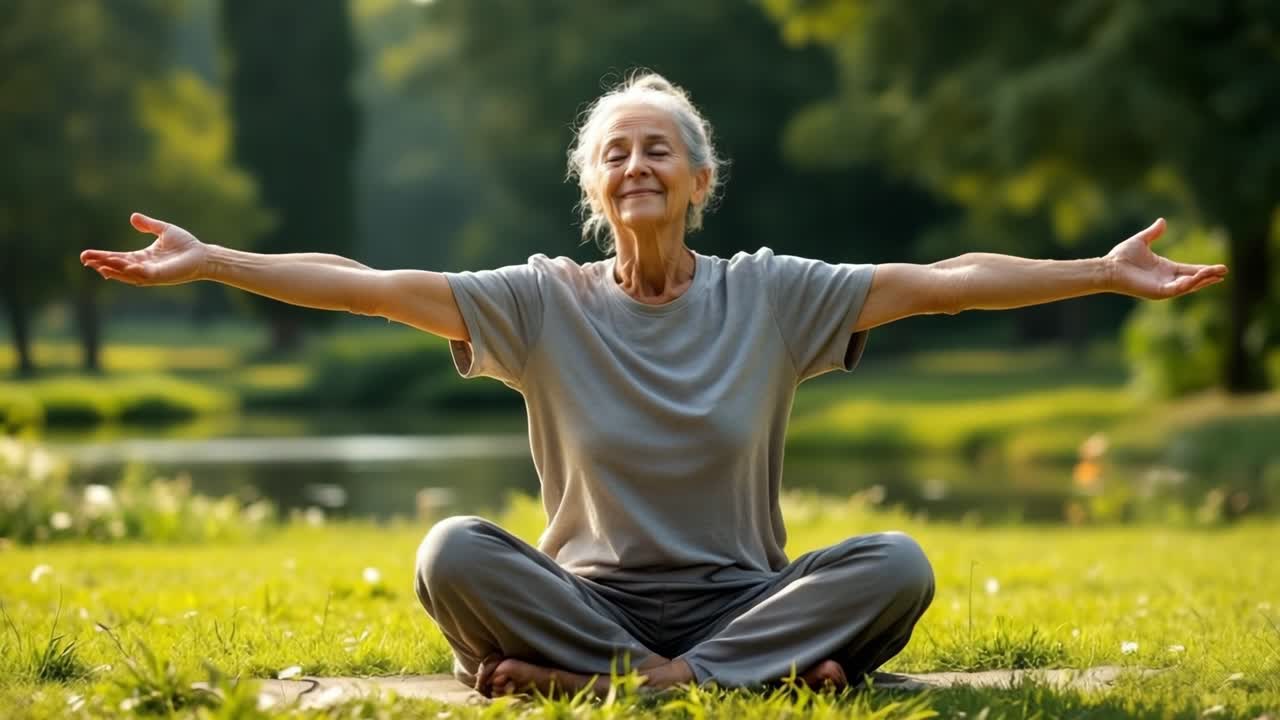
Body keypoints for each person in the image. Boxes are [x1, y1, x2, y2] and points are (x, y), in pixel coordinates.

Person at [80, 72, 1228, 697]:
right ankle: (728, 684)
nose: (636, 164)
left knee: (897, 564)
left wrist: (1097, 272)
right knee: (449, 553)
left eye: (657, 149)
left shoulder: (773, 293)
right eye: (614, 152)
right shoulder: (539, 300)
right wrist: (219, 259)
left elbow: (942, 283)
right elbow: (372, 285)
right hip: (586, 601)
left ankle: (619, 686)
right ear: (593, 185)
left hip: (743, 595)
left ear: (697, 178)